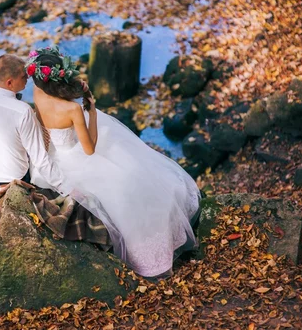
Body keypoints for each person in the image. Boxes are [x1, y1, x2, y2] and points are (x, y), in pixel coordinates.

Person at [28, 46, 201, 278]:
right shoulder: (72, 109)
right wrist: (92, 111)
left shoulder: (37, 94)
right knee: (129, 175)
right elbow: (89, 149)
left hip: (54, 157)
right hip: (78, 158)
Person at [0, 53, 72, 195]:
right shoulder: (23, 111)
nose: (28, 78)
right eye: (23, 76)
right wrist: (67, 188)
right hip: (11, 178)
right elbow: (40, 158)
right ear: (9, 82)